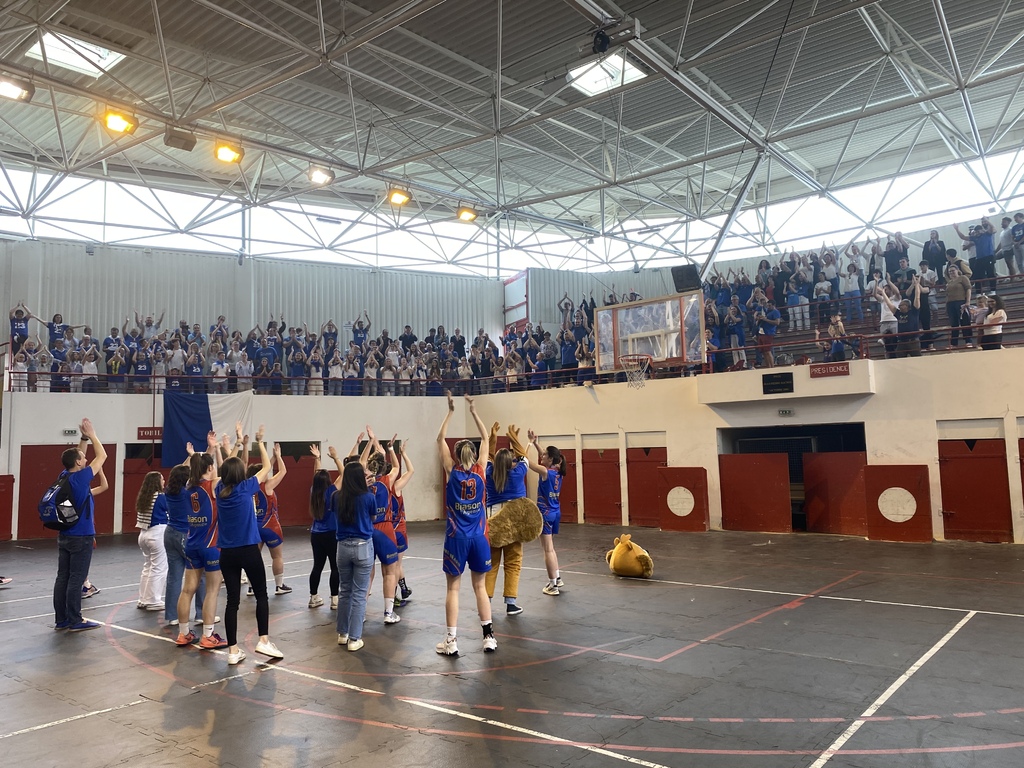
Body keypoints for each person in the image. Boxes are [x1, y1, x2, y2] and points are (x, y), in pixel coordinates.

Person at [215, 432, 284, 665]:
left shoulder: (219, 490)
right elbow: (266, 466)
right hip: (248, 550)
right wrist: (260, 442)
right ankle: (263, 640)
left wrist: (234, 445)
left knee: (232, 601)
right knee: (262, 594)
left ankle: (233, 651)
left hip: (227, 554)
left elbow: (226, 466)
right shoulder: (247, 487)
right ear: (241, 474)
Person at [435, 392, 495, 656]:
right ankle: (488, 637)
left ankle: (451, 640)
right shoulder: (481, 469)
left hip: (456, 537)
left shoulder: (452, 471)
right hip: (479, 536)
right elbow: (486, 437)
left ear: (457, 455)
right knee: (480, 587)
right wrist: (473, 411)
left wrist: (450, 412)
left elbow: (440, 439)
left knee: (453, 588)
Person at [52, 418, 107, 631]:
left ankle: (62, 619)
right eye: (83, 458)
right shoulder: (81, 478)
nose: (86, 458)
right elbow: (102, 456)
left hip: (65, 534)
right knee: (76, 578)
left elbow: (78, 454)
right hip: (81, 535)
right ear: (78, 463)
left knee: (62, 577)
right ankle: (76, 619)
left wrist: (83, 438)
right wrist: (93, 434)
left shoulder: (64, 476)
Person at [172, 438, 224, 649]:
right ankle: (208, 635)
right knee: (212, 590)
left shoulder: (187, 486)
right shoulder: (213, 485)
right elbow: (226, 471)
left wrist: (201, 453)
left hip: (192, 543)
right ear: (210, 468)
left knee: (187, 590)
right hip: (210, 545)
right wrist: (218, 449)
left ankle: (183, 634)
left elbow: (195, 467)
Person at [333, 455, 376, 652]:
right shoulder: (368, 497)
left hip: (342, 546)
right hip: (362, 546)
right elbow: (373, 517)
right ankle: (354, 638)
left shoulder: (336, 497)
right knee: (359, 593)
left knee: (345, 591)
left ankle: (342, 634)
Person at [246, 434, 291, 597]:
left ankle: (251, 587)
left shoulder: (247, 486)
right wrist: (278, 457)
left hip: (254, 527)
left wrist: (271, 458)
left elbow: (265, 468)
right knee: (277, 556)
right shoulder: (268, 485)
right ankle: (279, 586)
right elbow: (283, 471)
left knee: (254, 559)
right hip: (270, 526)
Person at [162, 464, 207, 628]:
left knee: (174, 576)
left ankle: (172, 616)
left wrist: (191, 456)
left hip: (169, 533)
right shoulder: (187, 493)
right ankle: (201, 613)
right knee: (200, 573)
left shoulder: (169, 491)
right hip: (184, 534)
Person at [527, 430, 565, 596]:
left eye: (544, 456)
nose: (541, 456)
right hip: (556, 512)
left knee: (547, 550)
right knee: (551, 548)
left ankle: (552, 585)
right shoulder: (558, 472)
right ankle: (557, 577)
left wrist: (528, 445)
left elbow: (527, 462)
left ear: (550, 460)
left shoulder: (544, 472)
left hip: (545, 513)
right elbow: (544, 454)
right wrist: (536, 442)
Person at [308, 443, 344, 609]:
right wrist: (336, 458)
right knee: (335, 567)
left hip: (316, 534)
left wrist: (317, 458)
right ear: (328, 481)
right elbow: (344, 474)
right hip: (332, 534)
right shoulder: (332, 491)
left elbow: (317, 476)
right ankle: (335, 599)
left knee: (317, 566)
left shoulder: (313, 492)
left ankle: (313, 597)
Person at [135, 471, 167, 612]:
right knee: (159, 568)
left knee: (148, 566)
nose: (164, 481)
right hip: (157, 533)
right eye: (162, 479)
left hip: (143, 534)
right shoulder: (160, 497)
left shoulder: (144, 497)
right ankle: (153, 600)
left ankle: (143, 598)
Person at [391, 441, 415, 607]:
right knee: (396, 566)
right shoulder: (395, 486)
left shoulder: (377, 487)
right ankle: (393, 598)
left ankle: (404, 589)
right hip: (398, 529)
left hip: (383, 530)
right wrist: (403, 453)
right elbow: (410, 470)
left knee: (391, 566)